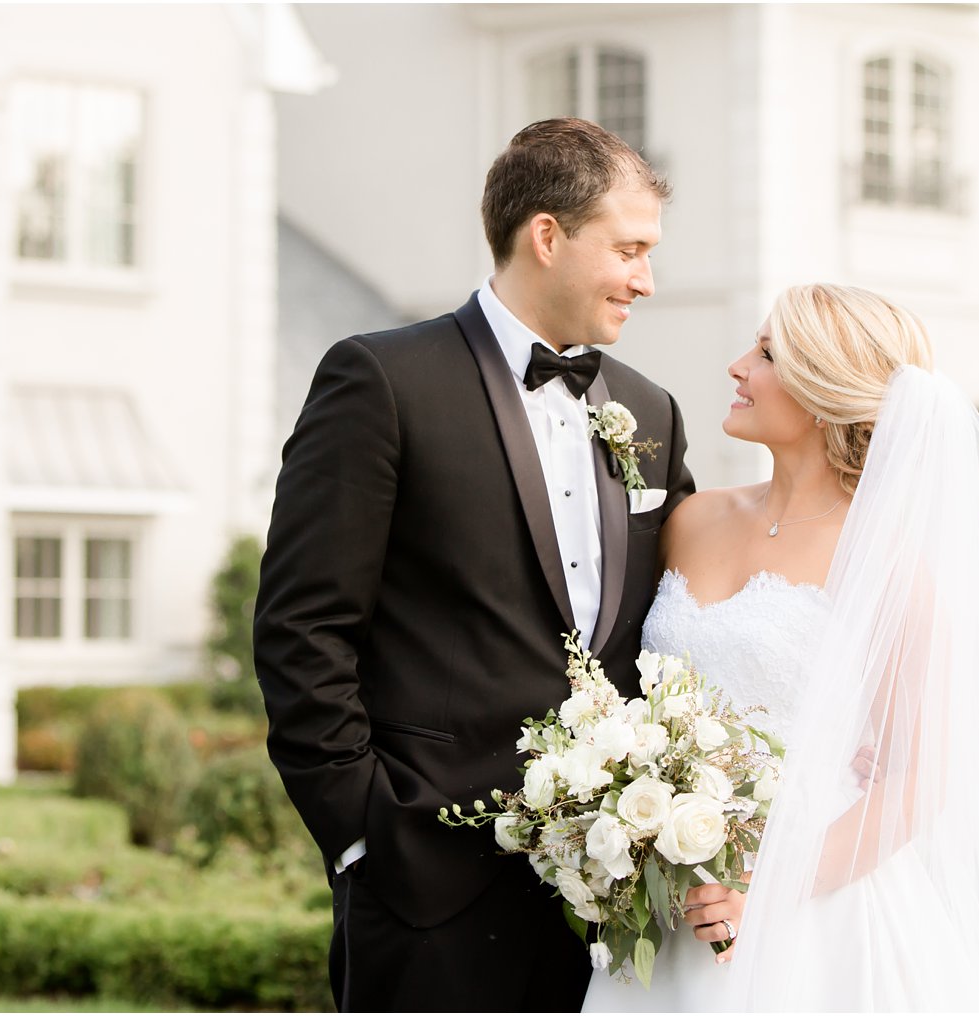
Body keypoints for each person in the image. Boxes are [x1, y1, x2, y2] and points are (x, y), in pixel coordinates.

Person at [254, 118, 695, 1012]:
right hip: (428, 888)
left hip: (617, 911)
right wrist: (365, 838)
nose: (646, 279)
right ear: (546, 236)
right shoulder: (381, 381)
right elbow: (303, 629)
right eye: (630, 249)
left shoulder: (652, 411)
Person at [582, 284, 979, 1011]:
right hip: (665, 885)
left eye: (767, 353)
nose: (737, 366)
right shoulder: (691, 519)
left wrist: (765, 892)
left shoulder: (891, 563)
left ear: (824, 391)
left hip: (815, 900)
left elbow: (916, 780)